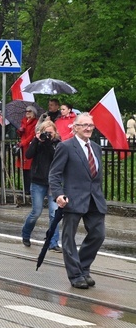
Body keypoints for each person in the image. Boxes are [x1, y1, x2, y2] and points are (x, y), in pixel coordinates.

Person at [49, 113, 107, 289]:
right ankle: (75, 275)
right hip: (72, 199)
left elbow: (95, 175)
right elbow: (54, 173)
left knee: (98, 235)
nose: (88, 128)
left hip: (94, 199)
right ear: (75, 127)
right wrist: (58, 194)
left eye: (91, 125)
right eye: (84, 125)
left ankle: (83, 267)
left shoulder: (96, 148)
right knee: (69, 238)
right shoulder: (66, 147)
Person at [21, 120, 61, 250]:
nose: (48, 135)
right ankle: (26, 233)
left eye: (51, 132)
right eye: (46, 132)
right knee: (36, 212)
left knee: (54, 213)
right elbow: (28, 154)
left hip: (53, 183)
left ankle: (53, 242)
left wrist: (48, 142)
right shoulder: (38, 141)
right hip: (38, 181)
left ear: (55, 132)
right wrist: (36, 140)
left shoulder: (58, 144)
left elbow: (55, 156)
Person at [16, 106, 38, 195]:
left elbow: (32, 135)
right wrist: (20, 130)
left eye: (29, 111)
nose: (27, 112)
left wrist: (23, 143)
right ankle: (25, 188)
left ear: (33, 113)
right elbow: (20, 134)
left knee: (29, 169)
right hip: (22, 146)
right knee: (24, 169)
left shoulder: (35, 122)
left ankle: (30, 188)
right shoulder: (24, 121)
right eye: (26, 111)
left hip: (28, 146)